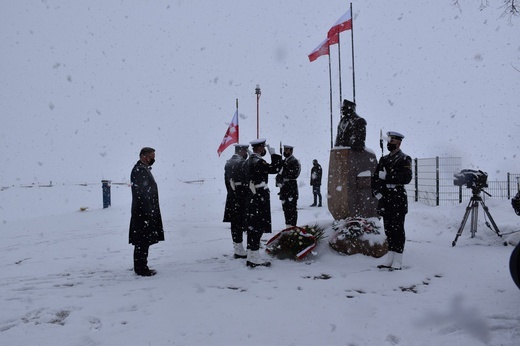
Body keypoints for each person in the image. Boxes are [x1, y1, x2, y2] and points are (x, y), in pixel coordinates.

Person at [371, 132, 412, 270]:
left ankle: (398, 259)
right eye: (388, 140)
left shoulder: (405, 159)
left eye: (392, 141)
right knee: (388, 229)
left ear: (398, 143)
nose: (389, 143)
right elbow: (376, 177)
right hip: (386, 197)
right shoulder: (384, 159)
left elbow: (406, 178)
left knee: (398, 229)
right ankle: (390, 257)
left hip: (398, 196)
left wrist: (388, 176)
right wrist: (377, 192)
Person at [244, 138, 282, 267]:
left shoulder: (249, 161)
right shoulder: (259, 162)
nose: (264, 150)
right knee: (258, 227)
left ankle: (251, 255)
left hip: (252, 196)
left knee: (252, 227)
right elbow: (275, 168)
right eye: (263, 148)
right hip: (259, 197)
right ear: (259, 148)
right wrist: (274, 155)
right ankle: (254, 257)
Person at [129, 147, 165, 276]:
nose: (154, 159)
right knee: (142, 241)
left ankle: (141, 265)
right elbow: (142, 194)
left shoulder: (143, 169)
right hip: (142, 212)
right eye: (152, 156)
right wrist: (148, 212)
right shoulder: (139, 170)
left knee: (144, 240)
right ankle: (141, 268)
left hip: (145, 211)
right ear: (145, 156)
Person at [223, 144, 250, 259]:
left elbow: (226, 182)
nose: (246, 154)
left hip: (232, 196)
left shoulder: (229, 162)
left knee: (235, 224)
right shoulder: (241, 162)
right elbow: (246, 180)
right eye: (245, 151)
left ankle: (237, 247)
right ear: (241, 151)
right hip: (240, 197)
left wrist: (231, 191)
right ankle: (240, 250)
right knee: (240, 223)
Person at [276, 145, 301, 227]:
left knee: (292, 209)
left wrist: (283, 171)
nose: (285, 151)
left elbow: (294, 175)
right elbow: (279, 174)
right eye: (284, 150)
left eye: (286, 150)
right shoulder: (283, 161)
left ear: (291, 151)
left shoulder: (294, 161)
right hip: (284, 188)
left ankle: (292, 227)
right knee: (285, 209)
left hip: (291, 188)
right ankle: (288, 226)